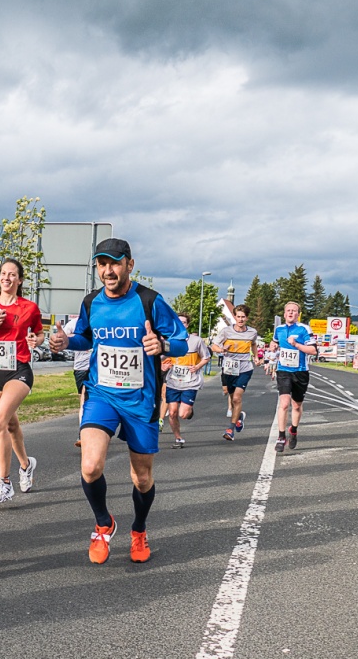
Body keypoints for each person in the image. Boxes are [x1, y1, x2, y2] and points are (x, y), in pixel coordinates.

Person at [49, 238, 187, 564]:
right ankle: (103, 524)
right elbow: (85, 337)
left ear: (129, 264)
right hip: (102, 393)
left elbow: (181, 341)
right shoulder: (91, 302)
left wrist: (163, 346)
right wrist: (66, 340)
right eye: (101, 264)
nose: (107, 270)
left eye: (114, 263)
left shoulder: (150, 301)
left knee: (141, 478)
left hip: (141, 399)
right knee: (90, 465)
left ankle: (138, 529)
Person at [0, 258, 45, 504]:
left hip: (19, 370)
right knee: (11, 426)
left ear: (19, 280)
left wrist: (36, 341)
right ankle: (26, 465)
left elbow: (39, 334)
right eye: (3, 273)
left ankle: (4, 483)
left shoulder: (29, 308)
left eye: (12, 274)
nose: (6, 278)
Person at [270, 301, 317, 453]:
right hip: (283, 370)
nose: (290, 313)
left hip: (300, 371)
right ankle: (281, 436)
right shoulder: (279, 329)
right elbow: (275, 343)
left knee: (296, 405)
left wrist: (296, 345)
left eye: (294, 311)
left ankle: (294, 430)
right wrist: (273, 347)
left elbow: (313, 350)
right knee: (284, 403)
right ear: (284, 314)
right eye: (288, 310)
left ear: (298, 314)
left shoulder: (304, 329)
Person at [161, 313, 210, 449]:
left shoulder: (196, 341)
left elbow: (206, 357)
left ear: (187, 325)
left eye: (183, 322)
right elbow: (161, 359)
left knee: (183, 414)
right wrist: (163, 366)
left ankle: (188, 410)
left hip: (190, 382)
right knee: (172, 413)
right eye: (178, 322)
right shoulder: (169, 342)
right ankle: (178, 438)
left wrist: (197, 366)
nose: (180, 324)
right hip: (173, 381)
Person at [212, 304, 260, 442]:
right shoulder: (226, 331)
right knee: (232, 397)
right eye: (238, 317)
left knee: (237, 398)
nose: (240, 319)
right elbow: (214, 345)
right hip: (229, 368)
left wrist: (256, 357)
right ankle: (239, 416)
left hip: (245, 368)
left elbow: (253, 344)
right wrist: (221, 350)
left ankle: (230, 429)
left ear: (247, 318)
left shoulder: (252, 332)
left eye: (243, 317)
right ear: (234, 317)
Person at [66, 316, 90, 448]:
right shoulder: (75, 323)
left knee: (88, 401)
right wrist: (76, 337)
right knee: (84, 401)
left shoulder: (104, 317)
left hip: (100, 368)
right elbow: (62, 336)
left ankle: (86, 433)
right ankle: (84, 433)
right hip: (81, 367)